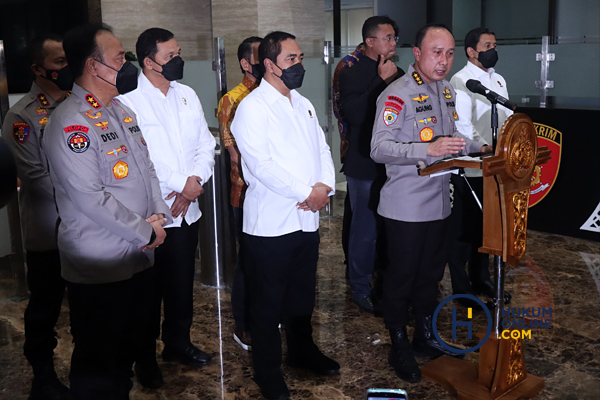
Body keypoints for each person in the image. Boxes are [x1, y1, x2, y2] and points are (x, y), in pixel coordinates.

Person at [43, 23, 171, 399]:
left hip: (138, 255)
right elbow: (89, 198)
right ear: (94, 67)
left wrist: (159, 215)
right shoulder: (71, 123)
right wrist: (146, 231)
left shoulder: (120, 109)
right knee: (98, 362)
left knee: (127, 350)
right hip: (100, 262)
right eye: (119, 58)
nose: (126, 64)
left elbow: (146, 168)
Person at [370, 23, 492, 383]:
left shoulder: (445, 92)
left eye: (450, 53)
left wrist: (480, 149)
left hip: (440, 204)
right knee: (401, 278)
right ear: (417, 54)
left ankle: (423, 335)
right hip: (406, 207)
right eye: (437, 52)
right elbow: (379, 148)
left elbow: (453, 138)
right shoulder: (398, 95)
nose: (444, 61)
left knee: (429, 277)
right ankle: (398, 343)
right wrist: (427, 149)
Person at [231, 31, 339, 400]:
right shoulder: (251, 107)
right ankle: (267, 370)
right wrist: (306, 192)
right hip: (271, 225)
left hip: (306, 219)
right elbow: (260, 165)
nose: (299, 65)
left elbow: (322, 147)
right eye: (291, 59)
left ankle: (301, 351)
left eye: (300, 58)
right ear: (270, 65)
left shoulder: (303, 102)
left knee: (301, 297)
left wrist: (325, 187)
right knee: (267, 303)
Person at [119, 27, 216, 388]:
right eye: (170, 56)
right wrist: (183, 184)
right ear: (148, 62)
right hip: (155, 211)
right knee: (148, 291)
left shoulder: (187, 94)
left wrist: (194, 184)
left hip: (186, 208)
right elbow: (144, 156)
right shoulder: (129, 101)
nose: (178, 60)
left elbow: (205, 145)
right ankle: (144, 358)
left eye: (178, 53)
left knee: (180, 285)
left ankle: (178, 343)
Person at [2, 34, 73, 400]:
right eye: (60, 62)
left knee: (88, 307)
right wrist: (89, 203)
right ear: (37, 68)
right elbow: (36, 177)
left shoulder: (84, 104)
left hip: (88, 232)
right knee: (45, 306)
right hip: (49, 231)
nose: (67, 68)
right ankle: (42, 374)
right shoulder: (22, 116)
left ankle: (89, 370)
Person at [338, 16, 405, 315]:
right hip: (363, 164)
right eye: (388, 38)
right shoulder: (351, 72)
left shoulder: (399, 72)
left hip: (393, 163)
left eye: (394, 38)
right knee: (364, 231)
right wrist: (381, 81)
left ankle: (384, 281)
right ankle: (360, 287)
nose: (393, 43)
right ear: (370, 41)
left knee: (390, 228)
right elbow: (353, 114)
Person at [448, 27, 513, 305]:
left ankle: (481, 277)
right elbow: (462, 125)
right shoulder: (461, 80)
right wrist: (484, 150)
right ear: (471, 52)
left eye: (495, 45)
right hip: (471, 164)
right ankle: (461, 289)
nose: (493, 50)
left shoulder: (498, 80)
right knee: (463, 229)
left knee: (486, 227)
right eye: (487, 45)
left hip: (495, 164)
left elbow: (507, 116)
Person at [217, 35, 262, 352]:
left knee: (273, 261)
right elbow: (236, 154)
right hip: (245, 194)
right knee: (248, 263)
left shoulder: (277, 94)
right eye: (261, 57)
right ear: (246, 63)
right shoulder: (232, 99)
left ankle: (270, 314)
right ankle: (243, 325)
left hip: (278, 197)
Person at [331, 43, 364, 272]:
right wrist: (347, 141)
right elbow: (341, 109)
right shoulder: (348, 65)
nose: (393, 44)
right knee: (355, 208)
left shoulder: (389, 66)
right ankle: (350, 259)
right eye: (388, 38)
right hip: (355, 145)